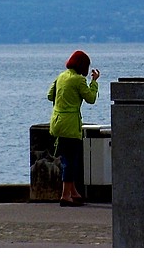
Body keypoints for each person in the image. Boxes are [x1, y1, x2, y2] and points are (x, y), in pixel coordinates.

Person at [47, 50, 100, 206]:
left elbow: (50, 95)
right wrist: (94, 82)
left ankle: (73, 192)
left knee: (67, 158)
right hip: (71, 125)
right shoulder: (79, 80)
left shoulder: (60, 77)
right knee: (71, 161)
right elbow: (90, 99)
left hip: (57, 122)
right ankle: (65, 195)